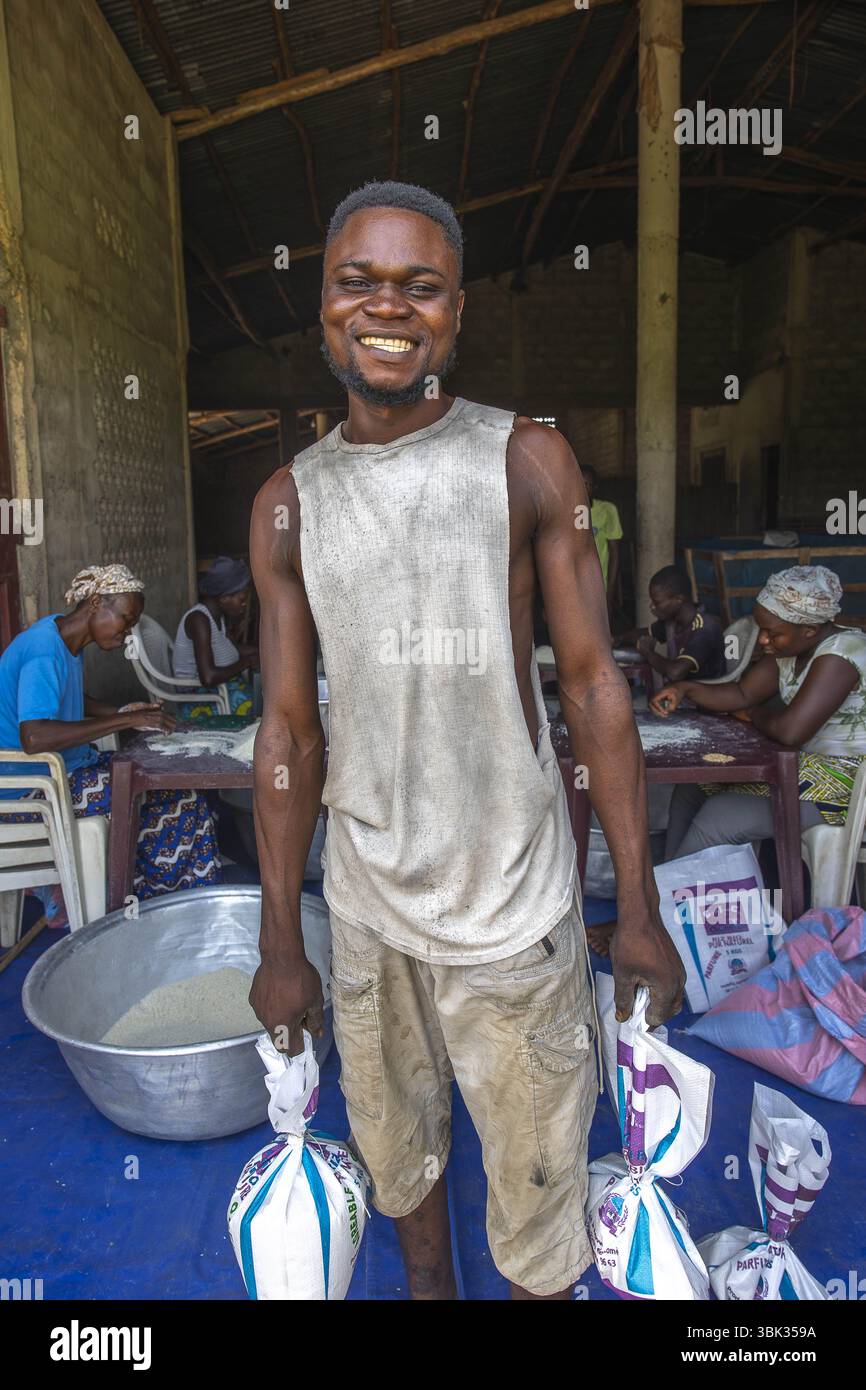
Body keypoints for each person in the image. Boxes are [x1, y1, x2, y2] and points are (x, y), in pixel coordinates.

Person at [248, 180, 684, 1302]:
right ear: (323, 308)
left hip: (511, 911)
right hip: (364, 905)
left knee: (537, 1202)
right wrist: (276, 939)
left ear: (453, 316)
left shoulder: (525, 460)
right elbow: (289, 726)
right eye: (358, 281)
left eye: (417, 285)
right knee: (400, 1168)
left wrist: (634, 909)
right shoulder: (289, 502)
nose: (385, 306)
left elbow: (593, 687)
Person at [0, 564, 223, 925]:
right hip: (29, 792)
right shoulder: (44, 649)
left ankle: (165, 904)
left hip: (64, 773)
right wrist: (126, 721)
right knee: (172, 796)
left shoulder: (62, 640)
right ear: (97, 604)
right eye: (126, 619)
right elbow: (34, 736)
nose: (127, 633)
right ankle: (163, 912)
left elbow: (67, 699)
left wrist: (121, 710)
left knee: (168, 784)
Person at [651, 565, 866, 861]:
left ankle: (676, 897)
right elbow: (741, 693)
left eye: (772, 633)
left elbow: (790, 731)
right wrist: (685, 688)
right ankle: (670, 884)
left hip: (847, 786)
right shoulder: (789, 650)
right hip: (807, 768)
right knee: (694, 786)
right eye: (761, 629)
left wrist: (752, 714)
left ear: (809, 629)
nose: (763, 640)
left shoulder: (843, 653)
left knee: (720, 816)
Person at [172, 555, 258, 719]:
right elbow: (208, 677)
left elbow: (231, 650)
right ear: (224, 598)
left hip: (219, 691)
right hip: (199, 699)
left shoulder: (218, 616)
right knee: (260, 704)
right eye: (241, 598)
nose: (245, 603)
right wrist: (246, 662)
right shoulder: (199, 620)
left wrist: (263, 651)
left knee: (264, 694)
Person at [619, 565, 727, 682]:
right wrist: (617, 639)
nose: (652, 606)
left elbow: (675, 673)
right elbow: (643, 632)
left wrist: (648, 653)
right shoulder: (673, 621)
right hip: (681, 692)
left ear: (678, 599)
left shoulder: (704, 629)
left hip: (706, 695)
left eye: (657, 602)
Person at [580, 463, 622, 618]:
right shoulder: (569, 512)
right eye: (578, 482)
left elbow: (615, 553)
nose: (582, 488)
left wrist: (610, 592)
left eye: (587, 484)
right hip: (574, 584)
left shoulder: (607, 510)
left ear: (595, 487)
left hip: (600, 584)